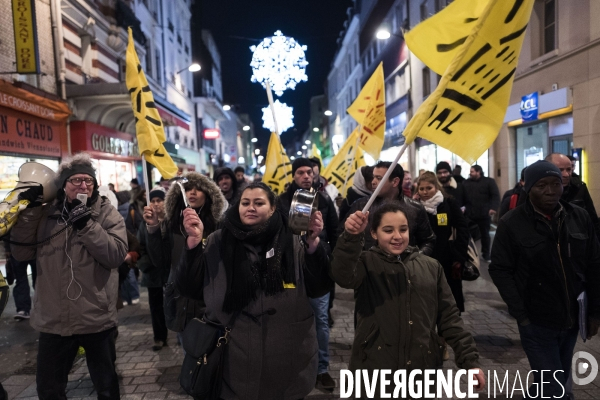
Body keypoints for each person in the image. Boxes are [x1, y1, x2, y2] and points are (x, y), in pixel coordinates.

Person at [176, 182, 331, 399]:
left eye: (259, 203)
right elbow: (189, 288)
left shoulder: (295, 239)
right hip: (232, 357)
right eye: (245, 203)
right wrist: (192, 244)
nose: (251, 208)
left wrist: (314, 244)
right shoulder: (217, 240)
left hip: (288, 354)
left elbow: (319, 287)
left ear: (273, 208)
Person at [332, 203, 484, 395]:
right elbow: (342, 275)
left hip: (421, 370)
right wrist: (351, 237)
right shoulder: (365, 263)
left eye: (403, 229)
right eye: (388, 230)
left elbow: (449, 317)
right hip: (374, 370)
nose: (397, 236)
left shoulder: (431, 267)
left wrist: (470, 361)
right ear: (374, 233)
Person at [11, 153, 127, 399]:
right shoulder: (45, 215)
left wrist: (87, 226)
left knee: (107, 387)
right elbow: (21, 253)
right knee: (49, 389)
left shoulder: (106, 213)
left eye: (88, 180)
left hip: (95, 316)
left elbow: (116, 255)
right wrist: (29, 211)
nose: (83, 185)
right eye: (75, 180)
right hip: (54, 319)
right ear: (63, 185)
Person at [489, 160, 600, 399]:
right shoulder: (512, 223)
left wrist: (594, 313)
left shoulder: (578, 217)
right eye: (542, 185)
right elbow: (499, 269)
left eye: (555, 184)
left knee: (555, 376)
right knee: (553, 385)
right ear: (529, 188)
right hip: (536, 320)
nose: (551, 191)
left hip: (571, 317)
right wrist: (520, 311)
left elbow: (594, 265)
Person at [276, 158, 338, 390]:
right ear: (293, 176)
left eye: (309, 172)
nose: (306, 176)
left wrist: (326, 252)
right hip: (289, 270)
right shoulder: (281, 201)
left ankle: (322, 369)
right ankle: (293, 367)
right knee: (290, 320)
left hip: (318, 269)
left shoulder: (323, 199)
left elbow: (335, 230)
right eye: (300, 172)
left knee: (320, 320)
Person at [143, 171, 226, 337]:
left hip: (210, 296)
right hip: (181, 298)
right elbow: (160, 260)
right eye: (188, 189)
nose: (193, 192)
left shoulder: (219, 225)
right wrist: (153, 228)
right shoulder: (172, 225)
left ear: (209, 194)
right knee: (188, 348)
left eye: (198, 189)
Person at [339, 161, 436, 255]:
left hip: (405, 269)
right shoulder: (361, 206)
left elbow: (428, 241)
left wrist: (414, 260)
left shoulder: (415, 208)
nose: (373, 182)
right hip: (370, 269)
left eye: (379, 178)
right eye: (373, 177)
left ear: (395, 182)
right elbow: (342, 236)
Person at [417, 172, 470, 313]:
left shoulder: (448, 203)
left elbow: (463, 228)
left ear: (436, 187)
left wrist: (459, 256)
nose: (425, 192)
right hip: (424, 259)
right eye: (421, 189)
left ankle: (449, 331)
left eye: (429, 188)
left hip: (447, 257)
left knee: (449, 300)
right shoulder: (416, 206)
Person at [137, 188, 171, 350]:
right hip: (153, 272)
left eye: (159, 200)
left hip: (170, 270)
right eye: (153, 201)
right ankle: (160, 337)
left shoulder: (171, 221)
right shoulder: (145, 223)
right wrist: (145, 264)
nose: (156, 204)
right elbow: (140, 246)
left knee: (174, 303)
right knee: (156, 306)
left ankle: (179, 332)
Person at [546, 153, 600, 236]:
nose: (566, 174)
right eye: (560, 170)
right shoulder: (538, 190)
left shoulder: (579, 187)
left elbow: (592, 218)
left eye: (568, 169)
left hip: (577, 239)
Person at [461, 165, 500, 262]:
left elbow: (495, 195)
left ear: (479, 172)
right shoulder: (466, 183)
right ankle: (468, 254)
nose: (470, 173)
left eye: (472, 171)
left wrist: (493, 208)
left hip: (484, 213)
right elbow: (462, 196)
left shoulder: (489, 182)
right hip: (470, 214)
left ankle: (486, 254)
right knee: (466, 235)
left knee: (485, 235)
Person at [3, 237, 36, 320]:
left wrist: (7, 248)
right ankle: (26, 309)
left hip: (20, 248)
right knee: (37, 280)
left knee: (23, 280)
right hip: (27, 248)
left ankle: (24, 309)